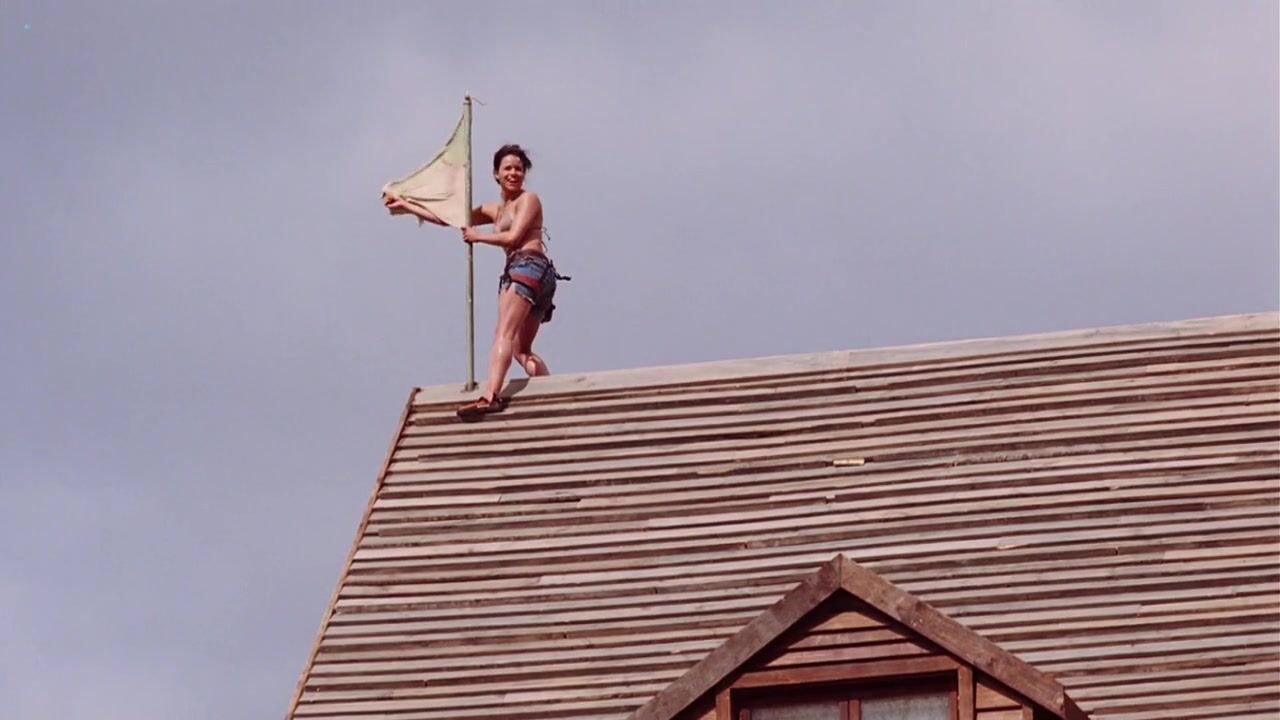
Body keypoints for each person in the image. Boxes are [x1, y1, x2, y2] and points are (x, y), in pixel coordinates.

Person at [382, 144, 558, 420]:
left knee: (502, 334)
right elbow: (450, 218)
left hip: (528, 266)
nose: (514, 173)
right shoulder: (494, 210)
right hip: (532, 274)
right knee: (520, 349)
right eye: (508, 168)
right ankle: (550, 391)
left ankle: (490, 396)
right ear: (496, 174)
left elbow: (513, 237)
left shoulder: (529, 200)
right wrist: (407, 206)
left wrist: (479, 237)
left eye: (518, 169)